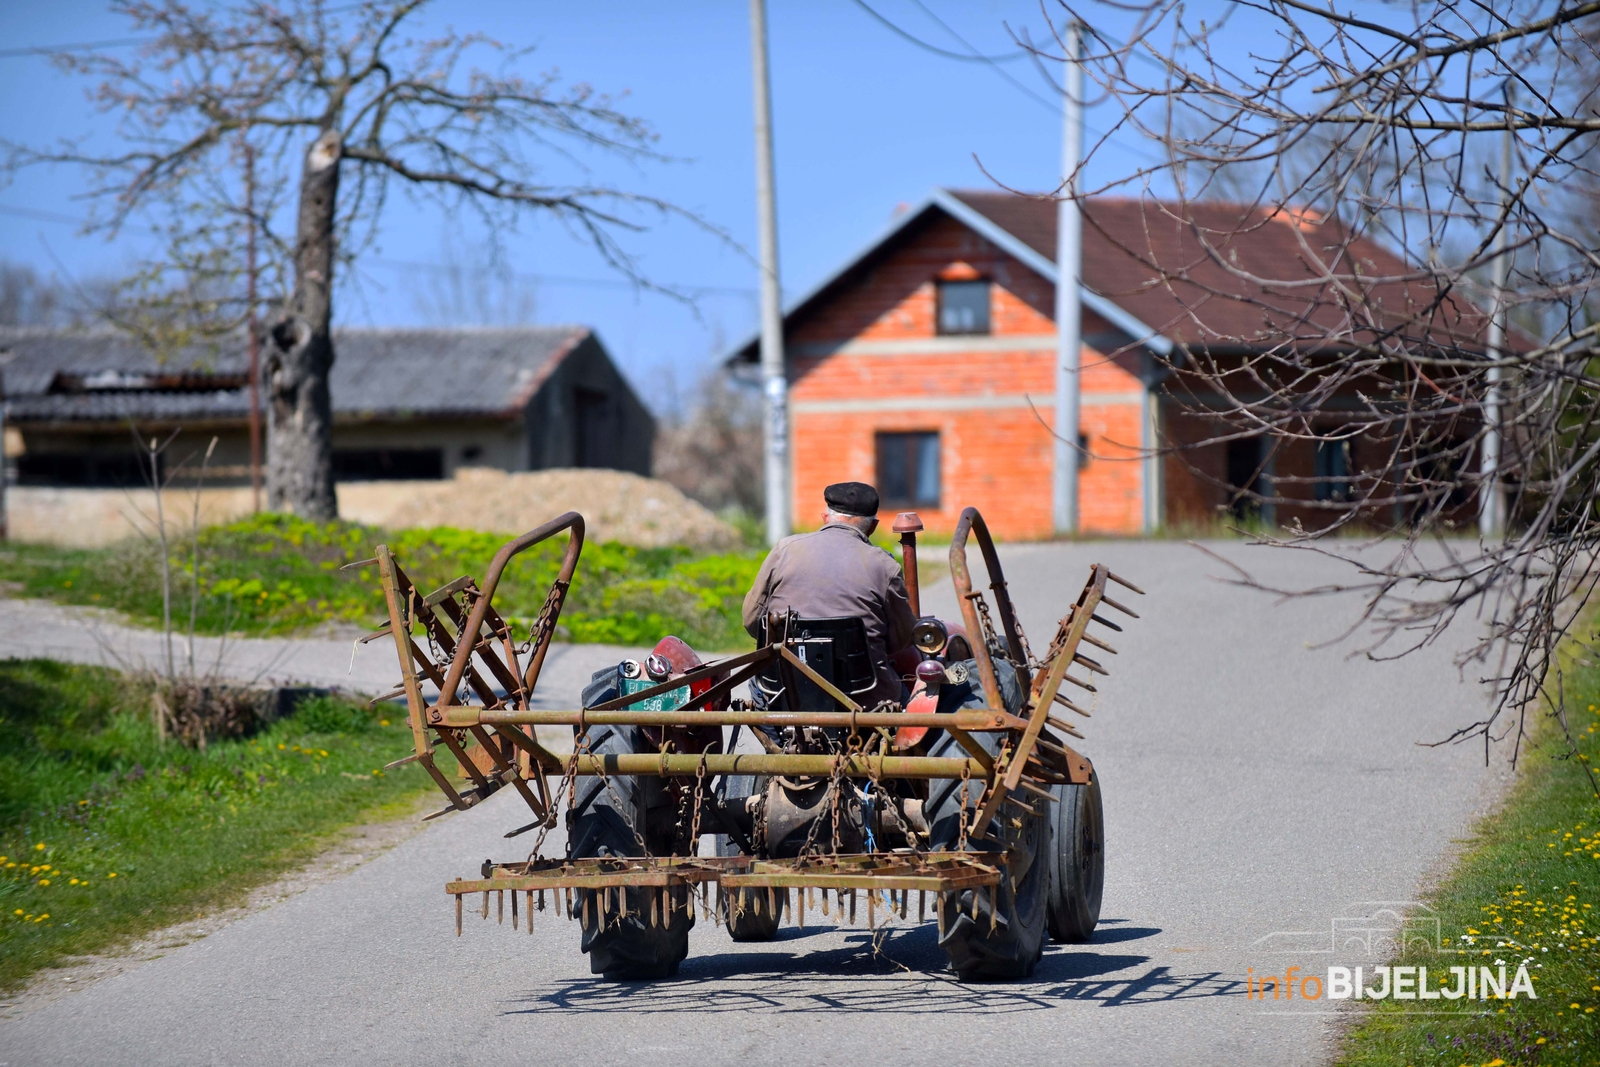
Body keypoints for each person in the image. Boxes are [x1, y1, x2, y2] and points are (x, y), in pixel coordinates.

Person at [741, 481, 917, 707]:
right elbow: (901, 640)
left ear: (826, 517)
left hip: (784, 691)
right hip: (866, 697)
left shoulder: (784, 550)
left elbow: (752, 621)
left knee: (759, 687)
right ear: (873, 526)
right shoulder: (885, 566)